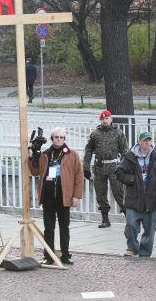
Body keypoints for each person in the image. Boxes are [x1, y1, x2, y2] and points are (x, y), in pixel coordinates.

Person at [29, 127, 83, 265]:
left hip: (64, 196)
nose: (59, 139)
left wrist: (76, 196)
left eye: (62, 137)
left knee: (64, 227)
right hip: (48, 196)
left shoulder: (72, 155)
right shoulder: (45, 154)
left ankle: (65, 255)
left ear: (64, 139)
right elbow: (35, 172)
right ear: (52, 138)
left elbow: (79, 176)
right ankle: (48, 255)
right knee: (49, 227)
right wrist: (32, 156)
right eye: (57, 137)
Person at [116, 131, 156, 258]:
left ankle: (145, 254)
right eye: (144, 140)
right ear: (139, 142)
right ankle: (133, 247)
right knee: (130, 225)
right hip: (134, 198)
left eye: (149, 140)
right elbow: (119, 172)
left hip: (151, 199)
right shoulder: (130, 156)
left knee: (149, 229)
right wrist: (131, 180)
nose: (147, 142)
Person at [83, 109, 128, 228]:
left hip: (114, 166)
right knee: (100, 193)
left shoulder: (118, 133)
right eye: (102, 119)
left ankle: (129, 217)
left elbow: (125, 150)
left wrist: (127, 166)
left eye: (106, 118)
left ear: (111, 119)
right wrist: (86, 167)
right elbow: (88, 150)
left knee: (119, 192)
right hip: (99, 166)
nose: (104, 121)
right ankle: (105, 219)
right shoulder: (95, 134)